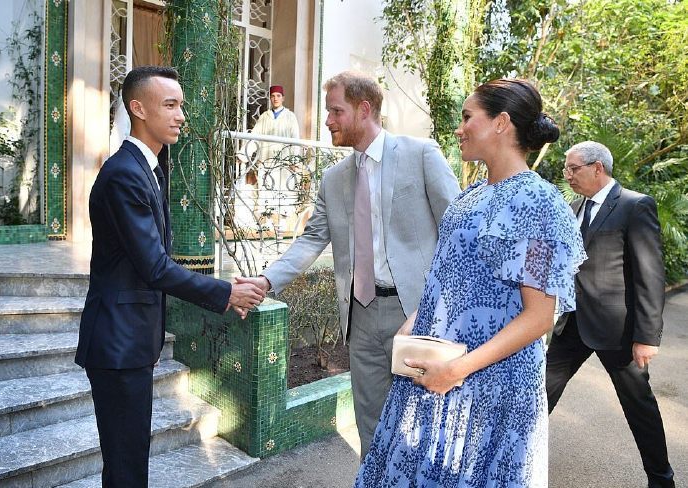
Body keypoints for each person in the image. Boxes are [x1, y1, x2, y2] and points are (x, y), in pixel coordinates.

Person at [355, 79, 586, 487]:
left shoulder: (540, 202)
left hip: (487, 390)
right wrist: (416, 323)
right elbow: (450, 274)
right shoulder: (472, 194)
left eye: (467, 117)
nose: (459, 128)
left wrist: (457, 370)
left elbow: (539, 317)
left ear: (501, 123)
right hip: (436, 372)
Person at [236, 71, 460, 458]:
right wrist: (265, 281)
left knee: (425, 424)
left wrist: (436, 304)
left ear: (364, 109)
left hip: (416, 315)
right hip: (359, 317)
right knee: (370, 425)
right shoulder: (333, 178)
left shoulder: (420, 154)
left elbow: (458, 233)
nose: (328, 121)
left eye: (336, 111)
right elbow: (311, 240)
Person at [75, 66, 266, 488]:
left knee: (129, 463)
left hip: (129, 342)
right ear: (137, 108)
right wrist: (227, 293)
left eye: (181, 105)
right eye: (171, 105)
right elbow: (155, 266)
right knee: (126, 468)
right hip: (116, 344)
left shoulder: (149, 167)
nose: (181, 115)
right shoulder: (125, 173)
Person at [547, 141, 675, 488]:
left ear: (597, 168)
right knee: (539, 394)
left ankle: (661, 479)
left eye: (573, 168)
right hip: (571, 325)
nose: (568, 175)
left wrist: (647, 336)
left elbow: (650, 274)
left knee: (639, 407)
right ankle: (513, 463)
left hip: (618, 330)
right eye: (566, 169)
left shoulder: (634, 206)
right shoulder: (574, 207)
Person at [249, 85, 302, 232]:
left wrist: (295, 160)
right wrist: (243, 153)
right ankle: (267, 220)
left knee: (284, 190)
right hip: (267, 160)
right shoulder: (264, 117)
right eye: (273, 96)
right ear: (270, 98)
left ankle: (282, 222)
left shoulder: (290, 117)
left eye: (278, 96)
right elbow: (254, 136)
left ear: (283, 98)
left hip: (284, 163)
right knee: (266, 190)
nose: (275, 98)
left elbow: (295, 139)